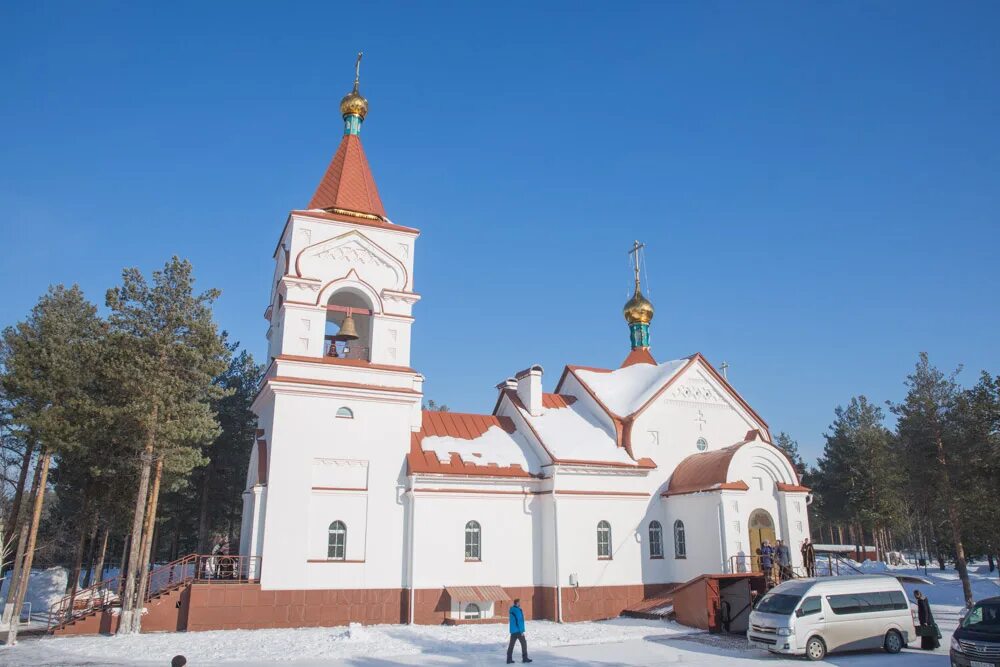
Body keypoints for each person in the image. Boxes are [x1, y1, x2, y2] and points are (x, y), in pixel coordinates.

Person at [506, 598, 532, 664]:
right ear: (517, 603)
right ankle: (525, 658)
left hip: (513, 631)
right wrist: (522, 631)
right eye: (519, 603)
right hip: (518, 630)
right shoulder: (517, 610)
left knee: (511, 645)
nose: (520, 604)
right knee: (524, 644)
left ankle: (509, 659)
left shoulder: (512, 610)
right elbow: (519, 621)